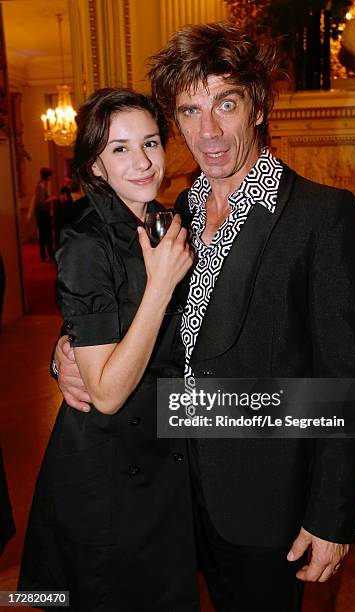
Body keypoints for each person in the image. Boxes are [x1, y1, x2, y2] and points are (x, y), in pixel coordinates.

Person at [54, 24, 355, 612]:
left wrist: (333, 517)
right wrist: (65, 350)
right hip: (170, 491)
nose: (209, 131)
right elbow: (123, 302)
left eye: (225, 103)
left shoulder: (321, 217)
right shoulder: (174, 213)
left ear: (258, 106)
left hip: (266, 503)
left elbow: (348, 385)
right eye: (189, 110)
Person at [18, 88, 198, 611]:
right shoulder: (84, 237)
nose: (141, 161)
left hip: (161, 458)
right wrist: (161, 285)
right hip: (111, 475)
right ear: (94, 165)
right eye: (118, 149)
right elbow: (108, 394)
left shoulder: (161, 220)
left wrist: (65, 349)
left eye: (149, 143)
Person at [28, 167, 55, 262]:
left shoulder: (42, 185)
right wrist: (51, 199)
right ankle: (46, 256)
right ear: (47, 176)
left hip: (43, 213)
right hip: (43, 214)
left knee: (45, 235)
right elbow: (40, 203)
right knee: (46, 236)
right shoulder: (41, 186)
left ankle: (46, 255)